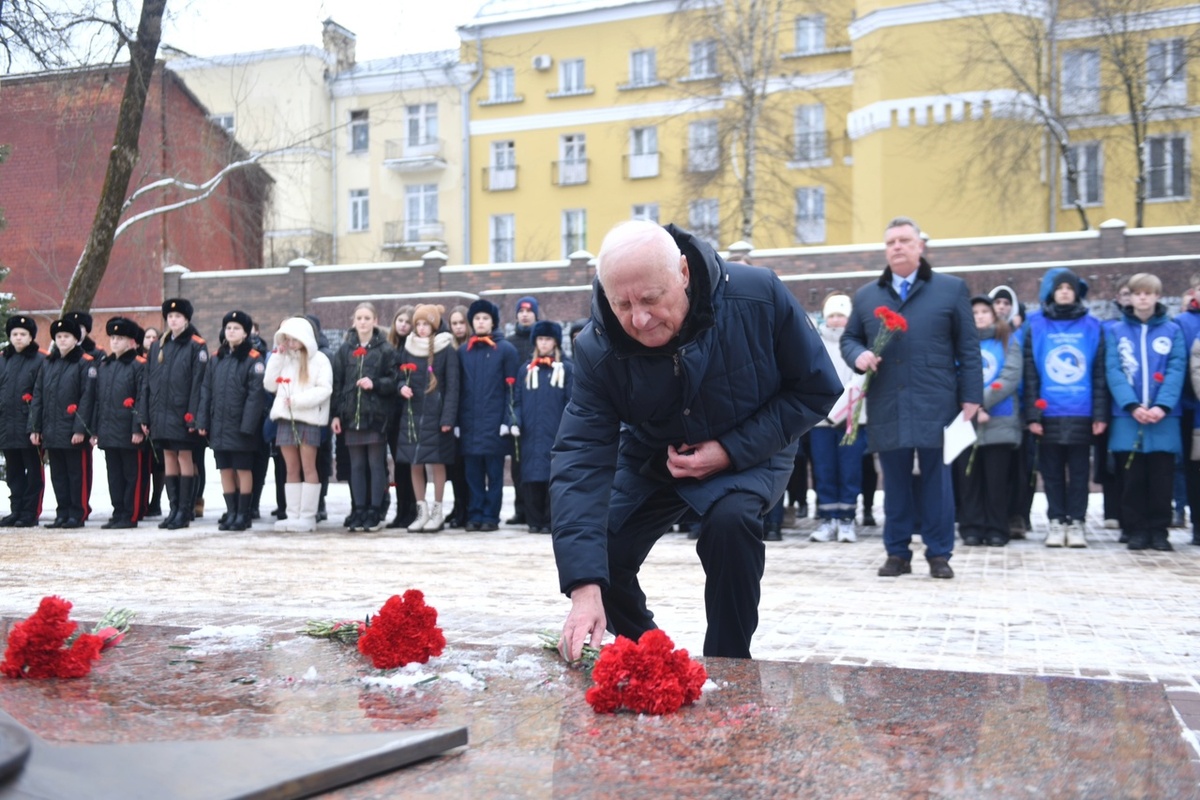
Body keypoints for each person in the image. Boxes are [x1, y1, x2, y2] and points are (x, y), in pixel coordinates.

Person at [553, 220, 840, 661]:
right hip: (655, 449)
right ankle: (655, 660)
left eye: (651, 299)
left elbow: (816, 388)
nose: (639, 319)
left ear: (683, 273)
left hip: (748, 439)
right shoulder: (598, 346)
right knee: (603, 549)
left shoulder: (758, 296)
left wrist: (730, 451)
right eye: (622, 304)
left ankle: (729, 665)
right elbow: (580, 458)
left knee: (731, 524)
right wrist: (583, 587)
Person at [840, 216, 981, 580]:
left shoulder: (950, 289)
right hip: (888, 399)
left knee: (938, 480)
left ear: (920, 246)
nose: (897, 247)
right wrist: (859, 355)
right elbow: (849, 338)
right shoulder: (867, 295)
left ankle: (939, 553)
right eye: (891, 243)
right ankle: (897, 552)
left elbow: (968, 347)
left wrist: (972, 397)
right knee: (895, 480)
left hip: (937, 400)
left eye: (904, 240)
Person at [1024, 269, 1108, 547]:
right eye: (1059, 288)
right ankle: (1056, 521)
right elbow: (1030, 374)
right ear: (1052, 292)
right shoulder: (1037, 326)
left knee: (1080, 473)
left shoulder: (1092, 326)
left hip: (1082, 411)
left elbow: (1099, 374)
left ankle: (1077, 522)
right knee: (1051, 472)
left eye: (1069, 288)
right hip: (1048, 412)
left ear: (1076, 293)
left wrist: (1099, 413)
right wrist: (1033, 414)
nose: (1064, 292)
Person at [1106, 273, 1186, 551]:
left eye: (1148, 293)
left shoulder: (1172, 330)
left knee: (1162, 478)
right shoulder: (1116, 331)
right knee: (1133, 478)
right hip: (1128, 417)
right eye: (1137, 293)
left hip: (1163, 419)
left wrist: (1162, 405)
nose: (1142, 298)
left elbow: (1176, 368)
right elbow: (1114, 370)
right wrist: (1131, 405)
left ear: (1157, 297)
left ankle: (1159, 530)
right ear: (1129, 297)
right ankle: (1136, 529)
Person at [955, 297, 1022, 547]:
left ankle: (997, 528)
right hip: (965, 419)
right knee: (968, 479)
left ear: (994, 315)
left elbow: (1010, 376)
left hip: (999, 419)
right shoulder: (957, 342)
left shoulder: (1008, 340)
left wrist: (980, 402)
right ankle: (971, 527)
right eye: (974, 312)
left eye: (985, 311)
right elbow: (953, 374)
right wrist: (971, 406)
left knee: (997, 481)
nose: (980, 316)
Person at [331, 303, 397, 532]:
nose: (363, 322)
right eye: (359, 318)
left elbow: (393, 380)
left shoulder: (385, 349)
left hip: (375, 415)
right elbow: (337, 384)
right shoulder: (345, 350)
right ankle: (359, 509)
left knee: (375, 464)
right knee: (357, 465)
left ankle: (374, 511)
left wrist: (375, 383)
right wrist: (336, 415)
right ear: (354, 321)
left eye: (367, 318)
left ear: (375, 320)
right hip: (351, 416)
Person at [198, 311, 265, 532]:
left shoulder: (253, 359)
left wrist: (247, 426)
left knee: (243, 469)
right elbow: (206, 391)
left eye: (236, 328)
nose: (231, 332)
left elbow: (255, 396)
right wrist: (203, 421)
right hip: (219, 425)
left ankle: (244, 514)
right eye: (228, 328)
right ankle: (232, 511)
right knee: (225, 469)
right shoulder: (216, 358)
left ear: (246, 333)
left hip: (241, 427)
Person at [265, 316, 333, 532]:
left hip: (309, 419)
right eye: (287, 339)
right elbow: (269, 384)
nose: (290, 343)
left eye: (294, 339)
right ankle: (293, 514)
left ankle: (308, 516)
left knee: (308, 466)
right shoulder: (285, 358)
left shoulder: (320, 359)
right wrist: (277, 356)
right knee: (291, 467)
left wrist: (297, 401)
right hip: (286, 418)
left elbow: (325, 389)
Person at [808, 293, 867, 544]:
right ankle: (827, 517)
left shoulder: (857, 343)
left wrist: (846, 405)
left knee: (850, 468)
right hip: (822, 419)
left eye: (841, 315)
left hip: (851, 418)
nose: (836, 320)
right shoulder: (815, 342)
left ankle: (847, 518)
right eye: (831, 315)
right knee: (824, 468)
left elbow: (861, 377)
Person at [144, 298, 207, 530]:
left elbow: (199, 384)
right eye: (170, 317)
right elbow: (148, 382)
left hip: (183, 413)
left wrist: (193, 415)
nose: (173, 320)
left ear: (186, 319)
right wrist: (146, 415)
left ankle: (185, 509)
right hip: (161, 413)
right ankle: (173, 509)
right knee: (168, 457)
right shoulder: (158, 345)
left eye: (178, 316)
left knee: (185, 458)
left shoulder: (196, 345)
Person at [396, 304, 460, 533]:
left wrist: (448, 418)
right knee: (415, 461)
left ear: (434, 325)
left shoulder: (446, 348)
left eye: (426, 324)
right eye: (419, 324)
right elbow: (399, 375)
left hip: (436, 415)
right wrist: (401, 387)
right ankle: (421, 510)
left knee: (437, 462)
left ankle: (437, 511)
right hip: (413, 414)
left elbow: (453, 387)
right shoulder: (409, 346)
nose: (422, 328)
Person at [457, 299, 518, 531]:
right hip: (470, 424)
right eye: (477, 318)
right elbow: (458, 389)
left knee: (494, 475)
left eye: (485, 318)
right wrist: (457, 421)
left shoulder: (506, 350)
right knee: (472, 474)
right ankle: (474, 514)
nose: (481, 322)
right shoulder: (463, 352)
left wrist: (508, 420)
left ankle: (491, 516)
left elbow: (512, 389)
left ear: (493, 322)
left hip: (494, 425)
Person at [29, 317, 97, 528]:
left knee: (76, 474)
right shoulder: (48, 362)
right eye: (58, 337)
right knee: (58, 475)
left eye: (66, 336)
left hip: (73, 430)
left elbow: (88, 398)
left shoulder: (85, 362)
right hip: (52, 429)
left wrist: (80, 429)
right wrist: (36, 427)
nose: (62, 340)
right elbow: (38, 396)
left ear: (76, 339)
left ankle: (78, 512)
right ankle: (62, 512)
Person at [515, 320, 573, 534]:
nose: (544, 343)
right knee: (531, 476)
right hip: (530, 434)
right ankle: (534, 520)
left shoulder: (566, 369)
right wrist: (515, 421)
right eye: (540, 339)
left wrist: (567, 429)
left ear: (555, 342)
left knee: (553, 476)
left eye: (548, 339)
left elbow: (571, 401)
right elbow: (517, 400)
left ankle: (550, 520)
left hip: (555, 432)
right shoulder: (526, 370)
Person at [91, 317, 147, 529]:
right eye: (113, 338)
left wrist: (137, 427)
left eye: (120, 338)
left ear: (131, 342)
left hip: (128, 430)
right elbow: (98, 400)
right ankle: (118, 511)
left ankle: (130, 514)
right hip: (108, 429)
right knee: (114, 475)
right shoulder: (105, 365)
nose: (115, 342)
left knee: (131, 474)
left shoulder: (139, 365)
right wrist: (95, 429)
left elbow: (142, 397)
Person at [0, 315, 46, 527]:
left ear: (31, 337)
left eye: (23, 334)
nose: (18, 338)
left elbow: (41, 396)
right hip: (6, 426)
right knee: (14, 473)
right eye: (15, 334)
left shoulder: (40, 360)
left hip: (29, 426)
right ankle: (16, 509)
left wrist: (35, 426)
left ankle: (30, 511)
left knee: (33, 472)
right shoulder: (3, 359)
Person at [505, 295, 539, 526]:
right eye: (521, 311)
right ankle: (521, 508)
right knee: (518, 463)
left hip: (539, 408)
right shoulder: (510, 343)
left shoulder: (541, 340)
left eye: (529, 311)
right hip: (516, 408)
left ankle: (537, 508)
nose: (525, 315)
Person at [386, 306, 417, 529]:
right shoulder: (389, 348)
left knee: (410, 464)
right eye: (400, 320)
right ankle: (401, 510)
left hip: (411, 412)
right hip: (393, 414)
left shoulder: (415, 347)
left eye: (408, 322)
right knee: (399, 464)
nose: (403, 325)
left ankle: (413, 509)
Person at [445, 304, 471, 528]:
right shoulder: (448, 347)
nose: (458, 327)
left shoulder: (473, 347)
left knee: (467, 466)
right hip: (452, 414)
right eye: (454, 323)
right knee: (454, 466)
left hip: (469, 414)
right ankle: (458, 505)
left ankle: (467, 507)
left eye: (462, 322)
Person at [138, 326, 165, 518]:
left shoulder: (160, 358)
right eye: (148, 336)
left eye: (155, 336)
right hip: (142, 418)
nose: (151, 340)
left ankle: (156, 500)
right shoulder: (138, 359)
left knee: (158, 464)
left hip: (157, 419)